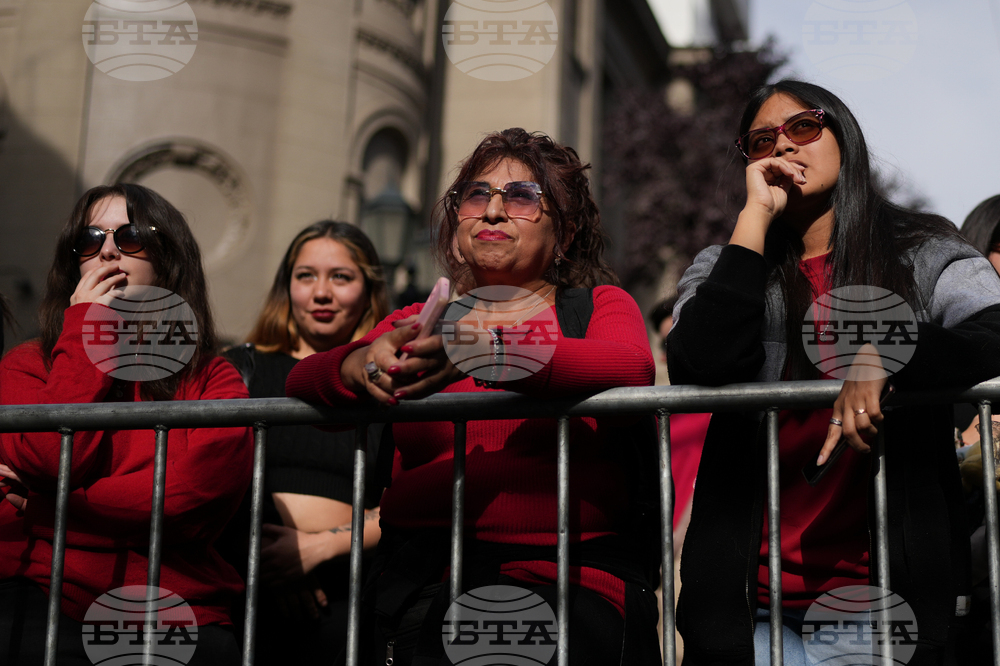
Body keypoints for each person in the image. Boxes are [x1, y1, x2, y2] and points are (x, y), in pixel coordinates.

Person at [285, 128, 660, 665]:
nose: (492, 212)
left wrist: (483, 351)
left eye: (523, 198)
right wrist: (359, 364)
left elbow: (630, 365)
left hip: (567, 586)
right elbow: (302, 384)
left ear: (567, 233)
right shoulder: (415, 324)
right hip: (421, 587)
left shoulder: (598, 305)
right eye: (476, 196)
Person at [668, 80, 1000, 665]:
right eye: (761, 141)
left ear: (842, 137)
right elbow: (700, 360)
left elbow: (994, 328)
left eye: (803, 127)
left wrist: (889, 351)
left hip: (880, 602)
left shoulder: (921, 250)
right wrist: (754, 217)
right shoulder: (728, 266)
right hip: (753, 603)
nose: (783, 148)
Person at [0, 183, 253, 665]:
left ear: (168, 259)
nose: (109, 250)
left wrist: (44, 506)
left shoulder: (212, 376)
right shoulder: (30, 364)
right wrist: (86, 329)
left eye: (131, 235)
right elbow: (54, 458)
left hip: (178, 616)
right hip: (45, 603)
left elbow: (187, 500)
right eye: (90, 239)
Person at [222, 220, 389, 662]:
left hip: (350, 596)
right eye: (305, 276)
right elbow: (205, 475)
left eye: (341, 277)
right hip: (242, 588)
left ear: (368, 290)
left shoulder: (388, 382)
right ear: (286, 286)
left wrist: (319, 547)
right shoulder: (238, 369)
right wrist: (271, 561)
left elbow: (408, 500)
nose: (321, 293)